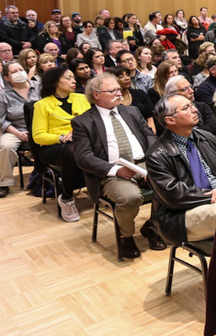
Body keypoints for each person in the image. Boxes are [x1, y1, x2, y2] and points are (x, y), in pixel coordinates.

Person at [72, 73, 165, 259]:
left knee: (172, 181)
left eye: (119, 90)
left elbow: (149, 136)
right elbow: (83, 157)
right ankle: (126, 236)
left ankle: (153, 226)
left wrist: (153, 163)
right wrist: (116, 170)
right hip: (112, 171)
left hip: (143, 162)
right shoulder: (83, 122)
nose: (119, 93)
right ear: (96, 94)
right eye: (113, 90)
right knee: (130, 197)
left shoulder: (131, 111)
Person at [147, 94, 216, 244]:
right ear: (170, 120)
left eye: (191, 105)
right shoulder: (157, 154)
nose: (195, 110)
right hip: (182, 215)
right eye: (186, 108)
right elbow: (174, 196)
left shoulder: (206, 137)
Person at [32, 66, 91, 221]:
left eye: (73, 77)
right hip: (54, 146)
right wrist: (62, 137)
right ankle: (66, 198)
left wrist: (79, 132)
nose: (74, 81)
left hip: (81, 140)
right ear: (55, 82)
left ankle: (103, 188)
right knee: (71, 151)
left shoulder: (82, 98)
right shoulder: (42, 105)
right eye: (68, 78)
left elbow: (92, 121)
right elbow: (38, 136)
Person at [0, 61, 38, 197]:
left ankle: (50, 176)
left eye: (20, 69)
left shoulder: (39, 87)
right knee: (6, 146)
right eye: (14, 72)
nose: (19, 73)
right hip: (16, 129)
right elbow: (1, 120)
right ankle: (4, 183)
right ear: (6, 78)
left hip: (41, 126)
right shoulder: (3, 94)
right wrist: (19, 134)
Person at [111, 67, 156, 134]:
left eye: (127, 75)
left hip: (146, 132)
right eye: (121, 77)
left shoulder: (140, 94)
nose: (127, 78)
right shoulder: (111, 100)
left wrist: (151, 136)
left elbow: (149, 118)